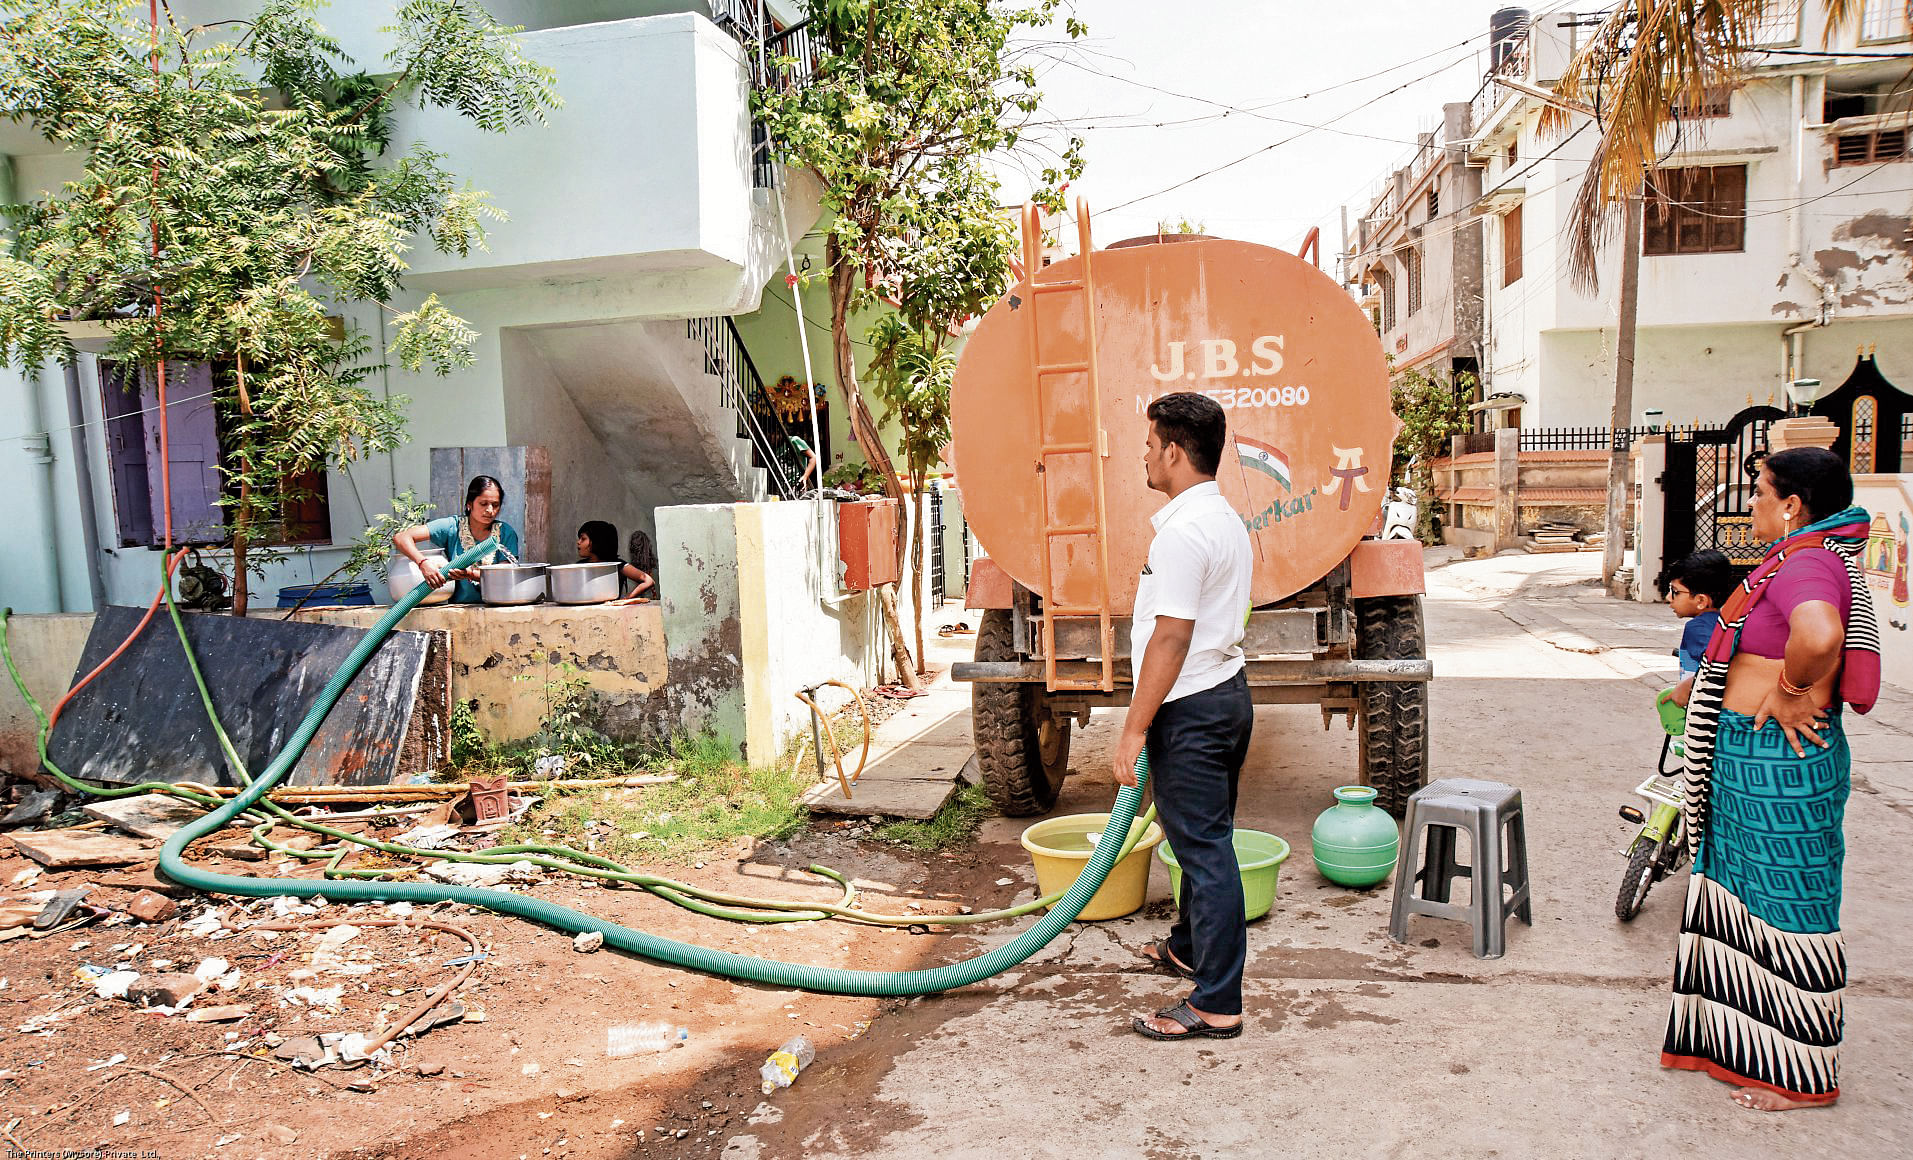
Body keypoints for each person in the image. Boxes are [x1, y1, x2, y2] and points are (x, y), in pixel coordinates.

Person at [1661, 447, 1880, 1111]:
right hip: (1752, 758)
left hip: (1780, 761)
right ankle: (1747, 1046)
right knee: (1750, 897)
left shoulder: (1806, 560)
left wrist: (1787, 688)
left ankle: (1800, 1076)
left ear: (1790, 503)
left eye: (1757, 490)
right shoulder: (1796, 558)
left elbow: (1817, 636)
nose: (1749, 502)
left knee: (1789, 908)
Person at [1112, 392, 1254, 1041]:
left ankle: (1216, 1002)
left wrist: (1134, 728)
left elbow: (1170, 638)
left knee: (1204, 853)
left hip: (1191, 706)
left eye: (1148, 444)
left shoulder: (1182, 532)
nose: (1143, 455)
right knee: (1198, 838)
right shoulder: (1219, 518)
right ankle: (1190, 947)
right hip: (1222, 692)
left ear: (1173, 450)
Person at [391, 475, 522, 604]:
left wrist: (471, 574)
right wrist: (423, 563)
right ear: (469, 504)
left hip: (498, 607)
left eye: (495, 505)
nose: (489, 510)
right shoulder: (452, 527)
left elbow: (504, 574)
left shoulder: (505, 532)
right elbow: (401, 537)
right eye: (483, 504)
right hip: (458, 609)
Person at [1660, 549, 1735, 707]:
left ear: (1701, 600)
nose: (1668, 597)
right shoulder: (1722, 622)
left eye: (1675, 592)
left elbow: (1718, 667)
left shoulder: (1697, 628)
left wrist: (1687, 687)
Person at [576, 520, 655, 599]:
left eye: (583, 539)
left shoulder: (617, 565)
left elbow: (648, 581)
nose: (578, 542)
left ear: (597, 541)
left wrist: (626, 599)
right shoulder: (579, 566)